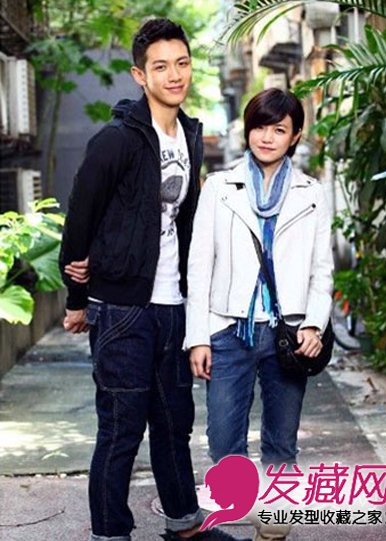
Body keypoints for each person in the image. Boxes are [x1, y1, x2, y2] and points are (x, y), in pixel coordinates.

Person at [60, 17, 251, 541]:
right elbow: (80, 218)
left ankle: (184, 523)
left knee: (173, 422)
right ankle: (110, 533)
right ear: (139, 75)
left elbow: (184, 224)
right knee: (121, 427)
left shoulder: (190, 134)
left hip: (173, 304)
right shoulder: (116, 140)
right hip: (122, 307)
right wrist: (77, 297)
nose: (174, 75)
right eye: (161, 66)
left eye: (182, 63)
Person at [185, 88, 334, 541]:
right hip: (229, 329)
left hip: (289, 332)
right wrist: (199, 336)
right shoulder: (219, 187)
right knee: (222, 440)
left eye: (278, 129)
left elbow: (322, 268)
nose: (267, 137)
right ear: (248, 130)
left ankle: (273, 528)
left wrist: (315, 323)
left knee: (281, 441)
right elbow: (200, 264)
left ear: (295, 136)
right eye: (259, 127)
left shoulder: (312, 193)